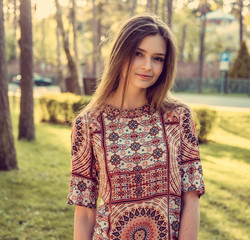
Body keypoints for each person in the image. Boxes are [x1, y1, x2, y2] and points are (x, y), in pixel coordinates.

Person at [67, 14, 205, 240]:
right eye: (138, 54)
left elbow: (191, 197)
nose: (147, 66)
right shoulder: (89, 124)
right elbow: (84, 210)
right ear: (121, 54)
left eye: (157, 58)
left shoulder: (178, 118)